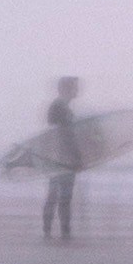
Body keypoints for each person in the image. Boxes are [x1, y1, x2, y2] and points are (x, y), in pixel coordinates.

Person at [41, 76, 83, 242]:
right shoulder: (61, 108)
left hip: (56, 157)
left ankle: (50, 230)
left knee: (56, 195)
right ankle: (61, 232)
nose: (77, 91)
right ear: (66, 89)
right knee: (62, 196)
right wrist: (77, 157)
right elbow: (66, 135)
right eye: (75, 87)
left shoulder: (60, 107)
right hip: (62, 159)